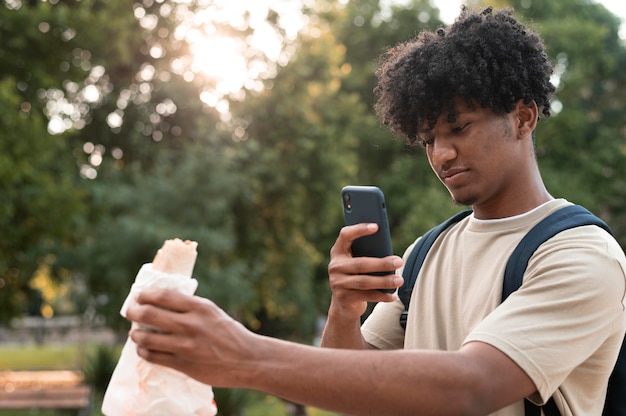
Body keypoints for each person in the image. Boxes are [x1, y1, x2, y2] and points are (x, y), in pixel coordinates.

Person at [126, 6, 626, 415]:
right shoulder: (426, 253)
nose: (440, 155)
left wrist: (242, 355)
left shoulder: (581, 253)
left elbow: (473, 387)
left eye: (460, 129)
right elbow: (357, 389)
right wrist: (344, 310)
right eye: (428, 139)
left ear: (522, 117)